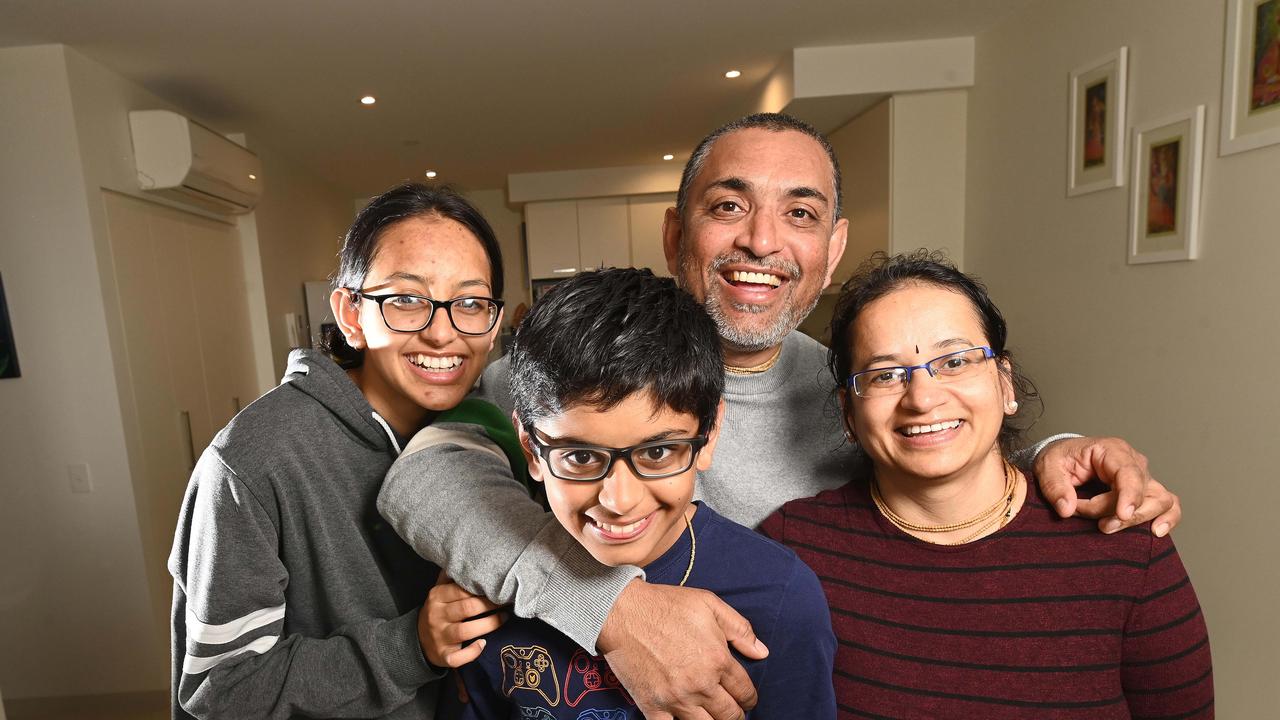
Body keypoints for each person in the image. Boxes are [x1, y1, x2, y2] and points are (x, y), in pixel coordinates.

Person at [380, 113, 1183, 720]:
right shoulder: (563, 368)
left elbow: (944, 442)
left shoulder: (861, 387)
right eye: (728, 205)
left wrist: (1055, 451)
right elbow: (421, 478)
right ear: (675, 232)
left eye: (799, 214)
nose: (760, 240)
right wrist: (610, 608)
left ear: (832, 249)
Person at [761, 251, 1213, 717]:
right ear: (849, 414)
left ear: (1005, 383)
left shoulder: (1124, 542)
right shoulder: (793, 550)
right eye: (886, 375)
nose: (923, 397)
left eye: (955, 361)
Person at [169, 183, 509, 719]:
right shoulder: (254, 459)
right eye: (406, 299)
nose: (443, 333)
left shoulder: (493, 430)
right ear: (350, 314)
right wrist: (412, 646)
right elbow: (223, 691)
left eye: (469, 303)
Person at [433, 267, 835, 718]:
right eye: (580, 457)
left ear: (710, 433)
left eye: (659, 451)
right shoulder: (490, 588)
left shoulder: (779, 595)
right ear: (531, 448)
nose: (619, 501)